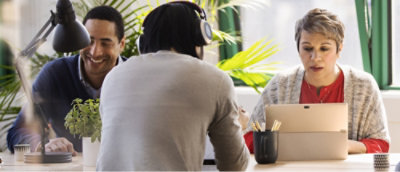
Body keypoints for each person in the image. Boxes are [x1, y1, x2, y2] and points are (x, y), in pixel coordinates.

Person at [97, 1, 249, 171]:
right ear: (200, 37)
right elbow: (234, 166)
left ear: (143, 43)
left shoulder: (113, 76)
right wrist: (238, 124)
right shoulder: (215, 80)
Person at [244, 8, 390, 154]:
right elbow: (249, 139)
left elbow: (381, 144)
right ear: (298, 49)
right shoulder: (280, 85)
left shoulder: (364, 86)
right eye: (307, 48)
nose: (315, 57)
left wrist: (345, 146)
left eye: (324, 49)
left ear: (339, 49)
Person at [7, 5, 126, 155]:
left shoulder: (136, 77)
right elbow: (17, 132)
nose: (95, 52)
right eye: (89, 41)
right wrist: (41, 145)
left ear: (121, 44)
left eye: (105, 43)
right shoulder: (55, 73)